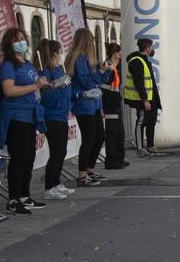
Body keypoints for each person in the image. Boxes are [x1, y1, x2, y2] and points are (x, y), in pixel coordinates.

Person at [0, 26, 42, 213]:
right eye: (16, 40)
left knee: (29, 157)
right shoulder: (8, 65)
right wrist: (34, 86)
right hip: (17, 115)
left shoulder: (28, 64)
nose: (21, 42)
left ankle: (24, 194)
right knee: (19, 158)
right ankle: (13, 199)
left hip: (30, 114)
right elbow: (9, 90)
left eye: (23, 38)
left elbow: (34, 86)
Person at [67, 28, 105, 187]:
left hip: (93, 103)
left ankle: (89, 168)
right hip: (84, 104)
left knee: (99, 136)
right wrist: (100, 72)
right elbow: (86, 82)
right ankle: (82, 173)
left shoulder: (86, 60)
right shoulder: (79, 60)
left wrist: (102, 71)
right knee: (89, 137)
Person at [36, 37, 73, 200]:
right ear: (53, 54)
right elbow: (46, 96)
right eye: (58, 53)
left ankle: (56, 182)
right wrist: (59, 89)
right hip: (52, 115)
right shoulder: (44, 72)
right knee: (57, 151)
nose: (60, 56)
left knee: (61, 151)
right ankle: (49, 186)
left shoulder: (58, 70)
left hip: (62, 114)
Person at [124, 36, 160, 154]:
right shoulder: (136, 61)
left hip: (151, 97)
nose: (152, 50)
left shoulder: (144, 59)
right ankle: (140, 148)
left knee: (151, 121)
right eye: (151, 47)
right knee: (141, 122)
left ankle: (151, 145)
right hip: (143, 99)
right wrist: (145, 100)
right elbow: (139, 82)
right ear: (147, 48)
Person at [101, 39, 129, 169]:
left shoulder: (117, 66)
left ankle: (119, 158)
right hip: (110, 103)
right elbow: (104, 84)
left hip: (116, 102)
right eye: (120, 52)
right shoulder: (107, 65)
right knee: (112, 133)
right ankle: (111, 160)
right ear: (115, 53)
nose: (121, 54)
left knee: (119, 132)